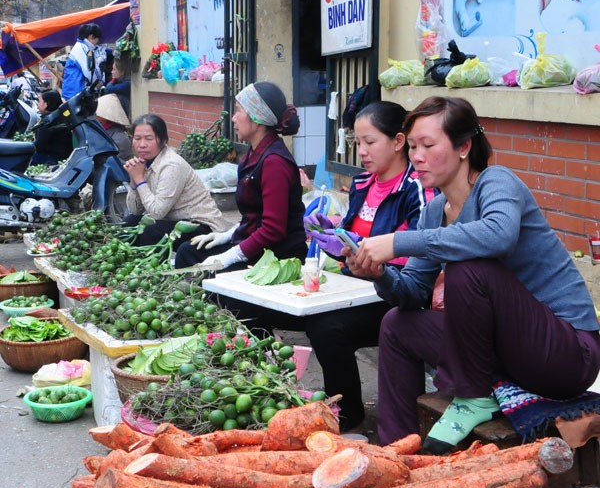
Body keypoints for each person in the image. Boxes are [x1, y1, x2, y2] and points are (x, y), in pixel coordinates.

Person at [349, 96, 600, 451]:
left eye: (428, 145)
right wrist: (378, 273)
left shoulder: (498, 182)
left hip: (565, 354)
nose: (416, 156)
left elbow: (497, 236)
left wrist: (399, 242)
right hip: (505, 352)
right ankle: (399, 451)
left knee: (471, 268)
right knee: (397, 324)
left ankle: (473, 396)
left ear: (464, 146)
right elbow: (412, 291)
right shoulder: (435, 210)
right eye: (414, 146)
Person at [303, 101, 436, 432]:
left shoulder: (416, 189)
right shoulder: (363, 184)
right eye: (357, 142)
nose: (361, 151)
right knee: (311, 317)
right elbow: (350, 239)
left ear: (398, 141)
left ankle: (349, 416)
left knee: (328, 326)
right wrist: (331, 234)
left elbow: (418, 250)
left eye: (369, 142)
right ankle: (344, 407)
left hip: (396, 292)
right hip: (358, 287)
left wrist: (364, 249)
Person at [175, 81, 307, 272]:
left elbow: (273, 229)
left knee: (205, 272)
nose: (234, 118)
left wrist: (229, 256)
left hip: (275, 257)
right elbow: (255, 216)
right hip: (254, 247)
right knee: (189, 251)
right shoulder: (252, 155)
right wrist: (227, 235)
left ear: (257, 116)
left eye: (239, 111)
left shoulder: (274, 163)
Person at [123, 113, 230, 247]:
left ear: (163, 140)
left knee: (152, 232)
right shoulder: (143, 162)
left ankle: (152, 268)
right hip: (173, 221)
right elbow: (135, 211)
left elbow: (157, 213)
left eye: (149, 138)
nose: (142, 144)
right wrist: (134, 183)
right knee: (130, 222)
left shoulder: (171, 164)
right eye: (137, 138)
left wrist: (139, 180)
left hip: (202, 225)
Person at [30, 89, 72, 167]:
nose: (38, 104)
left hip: (53, 159)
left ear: (46, 104)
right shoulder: (60, 115)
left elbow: (39, 147)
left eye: (39, 101)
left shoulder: (49, 121)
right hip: (64, 157)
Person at [61, 23, 104, 100]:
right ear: (91, 37)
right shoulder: (82, 49)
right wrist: (100, 80)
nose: (97, 43)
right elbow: (91, 72)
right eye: (97, 39)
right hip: (75, 94)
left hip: (73, 93)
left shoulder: (81, 47)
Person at [95, 94, 133, 162]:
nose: (94, 116)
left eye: (97, 114)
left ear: (104, 116)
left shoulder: (120, 139)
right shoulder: (100, 130)